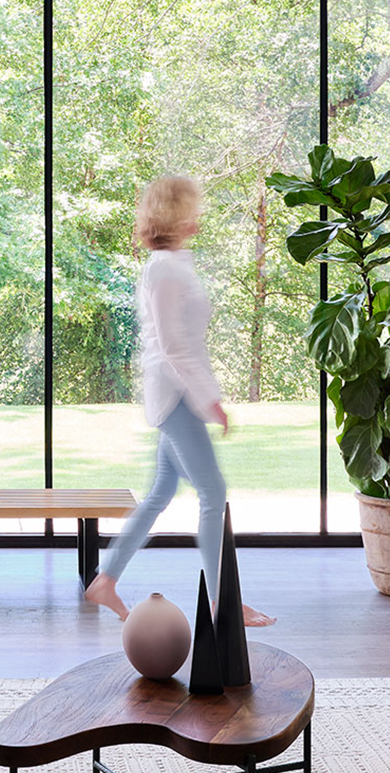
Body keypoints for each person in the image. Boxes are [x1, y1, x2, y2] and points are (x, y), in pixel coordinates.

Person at [84, 175, 276, 626]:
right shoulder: (165, 268)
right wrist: (209, 400)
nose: (198, 214)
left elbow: (186, 341)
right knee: (213, 493)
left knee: (160, 494)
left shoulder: (173, 263)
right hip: (176, 397)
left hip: (176, 393)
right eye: (191, 207)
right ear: (173, 213)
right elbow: (173, 347)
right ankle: (221, 603)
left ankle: (105, 581)